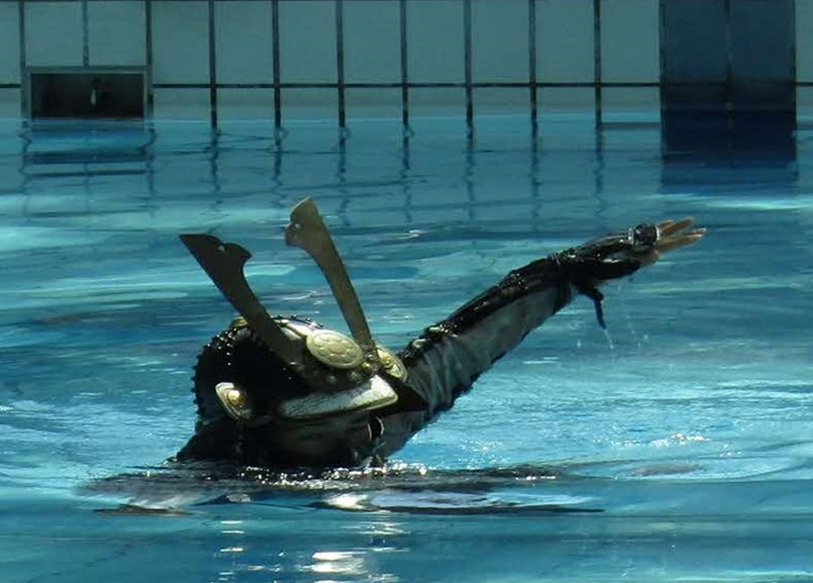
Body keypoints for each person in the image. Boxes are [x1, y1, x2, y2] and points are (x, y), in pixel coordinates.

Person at [173, 198, 704, 471]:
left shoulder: (364, 429)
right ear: (251, 430)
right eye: (316, 436)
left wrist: (580, 265)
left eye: (357, 421)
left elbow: (472, 341)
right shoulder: (206, 485)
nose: (354, 446)